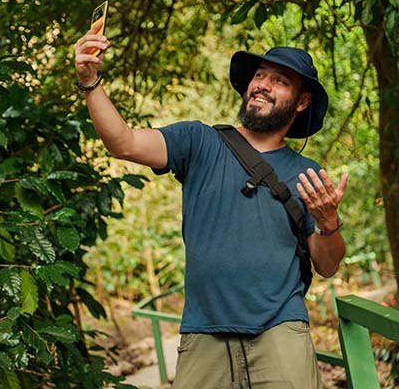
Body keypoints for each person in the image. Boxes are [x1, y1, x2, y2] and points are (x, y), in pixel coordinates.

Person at [74, 21, 348, 389]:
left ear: (302, 101)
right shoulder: (198, 141)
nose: (262, 84)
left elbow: (327, 266)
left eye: (280, 81)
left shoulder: (309, 175)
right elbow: (123, 143)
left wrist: (328, 221)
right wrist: (90, 81)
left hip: (281, 330)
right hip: (203, 332)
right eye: (260, 75)